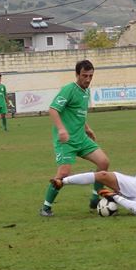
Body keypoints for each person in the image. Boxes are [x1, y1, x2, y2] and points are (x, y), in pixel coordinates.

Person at [40, 60, 110, 217]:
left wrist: (87, 128)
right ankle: (46, 207)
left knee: (103, 162)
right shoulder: (69, 89)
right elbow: (53, 109)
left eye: (90, 76)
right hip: (66, 141)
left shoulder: (86, 91)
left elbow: (78, 113)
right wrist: (61, 129)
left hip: (82, 138)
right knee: (64, 173)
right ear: (77, 74)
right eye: (84, 75)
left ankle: (94, 197)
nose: (88, 79)